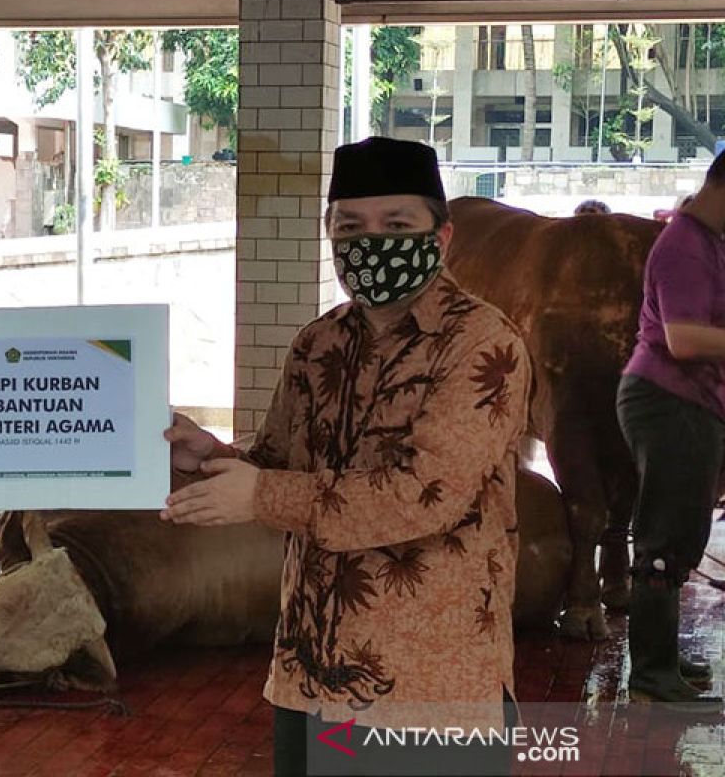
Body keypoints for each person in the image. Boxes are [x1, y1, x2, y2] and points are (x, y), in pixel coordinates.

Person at [162, 137, 530, 776]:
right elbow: (279, 463)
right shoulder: (317, 343)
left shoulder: (481, 342)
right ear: (329, 235)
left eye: (397, 224)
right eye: (351, 225)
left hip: (429, 678)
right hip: (309, 673)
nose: (372, 242)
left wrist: (260, 494)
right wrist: (212, 457)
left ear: (441, 238)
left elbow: (427, 494)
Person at [616, 152, 725, 712]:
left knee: (680, 537)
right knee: (662, 539)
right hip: (668, 400)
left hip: (687, 403)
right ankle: (653, 681)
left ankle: (661, 662)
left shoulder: (707, 241)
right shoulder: (685, 245)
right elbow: (684, 339)